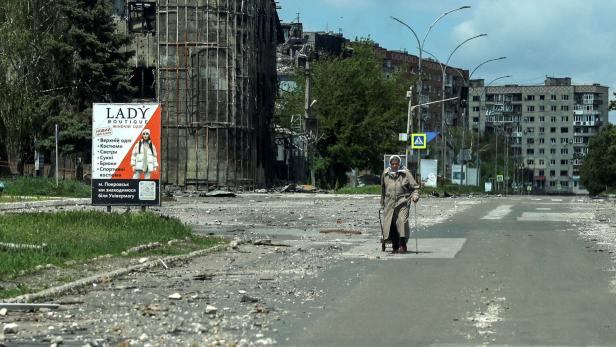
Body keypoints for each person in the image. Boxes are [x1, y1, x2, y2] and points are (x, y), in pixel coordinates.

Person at [380, 155, 420, 253]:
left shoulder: (406, 173)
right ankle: (395, 245)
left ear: (399, 164)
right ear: (390, 164)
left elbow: (415, 187)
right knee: (391, 224)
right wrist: (382, 203)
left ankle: (402, 245)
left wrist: (415, 196)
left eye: (396, 164)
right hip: (389, 202)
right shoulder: (385, 173)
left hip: (403, 201)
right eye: (392, 164)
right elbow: (383, 189)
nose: (394, 166)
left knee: (402, 221)